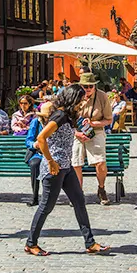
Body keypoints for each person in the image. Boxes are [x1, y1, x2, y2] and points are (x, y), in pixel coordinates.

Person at [26, 85, 109, 256]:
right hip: (54, 168)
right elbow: (41, 138)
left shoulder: (70, 115)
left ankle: (90, 242)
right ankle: (31, 243)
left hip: (66, 166)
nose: (82, 102)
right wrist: (50, 162)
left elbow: (70, 133)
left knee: (79, 202)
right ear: (73, 99)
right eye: (80, 99)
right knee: (46, 206)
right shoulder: (60, 115)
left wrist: (81, 133)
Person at [72, 72, 116, 204]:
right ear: (81, 86)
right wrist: (77, 133)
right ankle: (78, 192)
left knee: (100, 161)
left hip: (95, 131)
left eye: (91, 86)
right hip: (77, 132)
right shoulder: (74, 96)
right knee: (76, 162)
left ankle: (101, 189)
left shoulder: (102, 97)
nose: (88, 89)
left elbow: (108, 120)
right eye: (85, 86)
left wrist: (93, 123)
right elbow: (66, 119)